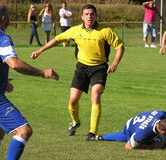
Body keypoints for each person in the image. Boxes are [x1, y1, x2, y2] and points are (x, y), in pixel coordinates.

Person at [31, 4, 125, 141]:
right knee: (73, 100)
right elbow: (57, 39)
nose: (89, 16)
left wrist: (115, 63)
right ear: (82, 17)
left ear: (96, 16)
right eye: (86, 14)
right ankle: (75, 122)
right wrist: (40, 50)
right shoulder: (75, 31)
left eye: (92, 14)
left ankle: (92, 133)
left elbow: (120, 47)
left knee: (96, 93)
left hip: (99, 68)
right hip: (81, 68)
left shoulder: (105, 31)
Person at [0, 4, 59, 160]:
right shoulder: (2, 38)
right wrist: (42, 73)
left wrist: (3, 82)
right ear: (4, 19)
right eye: (9, 16)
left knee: (0, 129)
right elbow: (14, 63)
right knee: (24, 131)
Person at [97, 110, 166, 150]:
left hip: (136, 123)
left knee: (164, 141)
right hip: (130, 128)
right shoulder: (142, 134)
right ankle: (101, 137)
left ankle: (100, 137)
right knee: (161, 142)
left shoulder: (161, 114)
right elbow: (128, 147)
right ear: (163, 132)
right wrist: (151, 147)